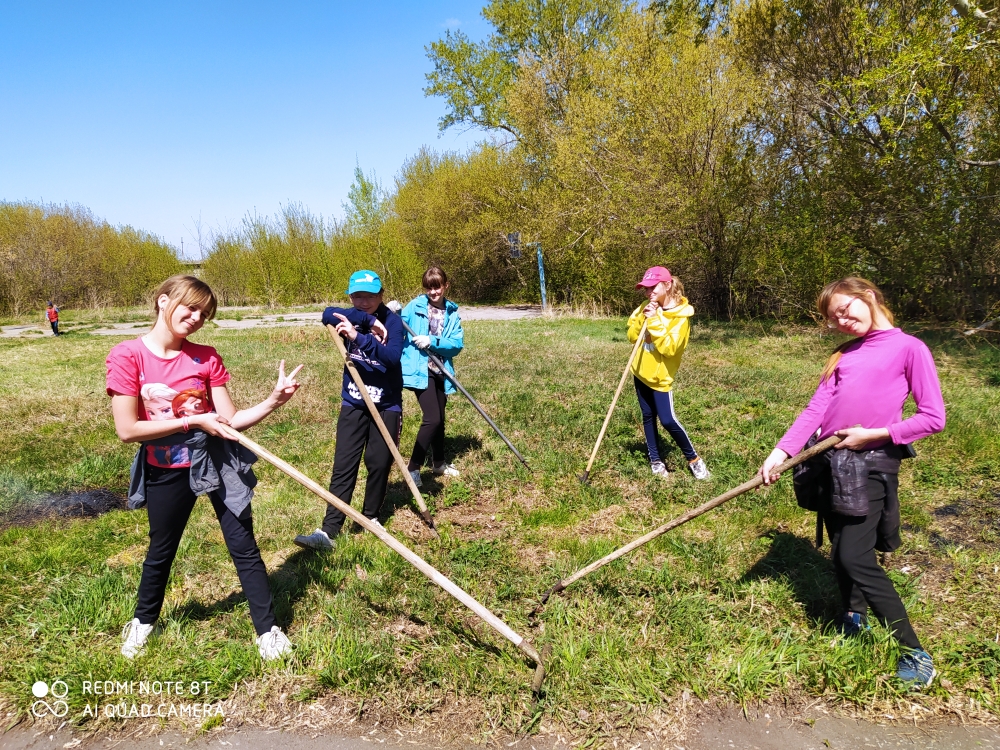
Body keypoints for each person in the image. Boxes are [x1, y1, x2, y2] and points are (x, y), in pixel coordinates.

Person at [757, 277, 945, 689]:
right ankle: (852, 616)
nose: (841, 321)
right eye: (833, 318)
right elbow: (815, 411)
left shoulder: (909, 348)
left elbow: (933, 417)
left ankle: (915, 651)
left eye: (846, 310)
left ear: (869, 297)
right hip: (830, 462)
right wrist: (780, 452)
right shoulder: (841, 355)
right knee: (843, 541)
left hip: (872, 463)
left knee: (853, 556)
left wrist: (875, 434)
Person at [106, 274, 303, 661]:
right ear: (164, 301)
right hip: (165, 466)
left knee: (243, 545)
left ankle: (268, 631)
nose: (196, 318)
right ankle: (144, 622)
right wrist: (193, 421)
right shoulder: (128, 355)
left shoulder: (205, 356)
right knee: (162, 549)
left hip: (217, 462)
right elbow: (127, 429)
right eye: (190, 307)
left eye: (204, 313)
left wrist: (272, 401)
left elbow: (228, 420)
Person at [294, 270, 404, 551]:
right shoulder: (354, 314)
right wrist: (366, 321)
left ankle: (370, 517)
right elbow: (327, 313)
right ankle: (329, 530)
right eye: (357, 296)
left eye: (369, 297)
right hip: (353, 402)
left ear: (381, 296)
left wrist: (359, 337)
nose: (363, 301)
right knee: (344, 465)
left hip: (386, 404)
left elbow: (391, 358)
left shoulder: (394, 323)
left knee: (379, 463)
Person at [627, 266, 709, 479]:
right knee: (647, 416)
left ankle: (694, 460)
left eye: (652, 287)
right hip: (640, 371)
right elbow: (631, 335)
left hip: (660, 378)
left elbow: (670, 349)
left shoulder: (681, 318)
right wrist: (641, 321)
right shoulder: (646, 306)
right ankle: (655, 460)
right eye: (645, 289)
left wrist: (653, 321)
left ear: (667, 284)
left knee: (668, 420)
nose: (648, 293)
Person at [398, 267, 464, 486]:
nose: (433, 291)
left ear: (445, 285)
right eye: (429, 287)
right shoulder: (415, 306)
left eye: (437, 286)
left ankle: (438, 463)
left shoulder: (452, 312)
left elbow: (456, 344)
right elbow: (395, 324)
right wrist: (390, 312)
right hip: (420, 369)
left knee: (440, 420)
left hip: (441, 370)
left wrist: (433, 341)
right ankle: (413, 468)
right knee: (432, 418)